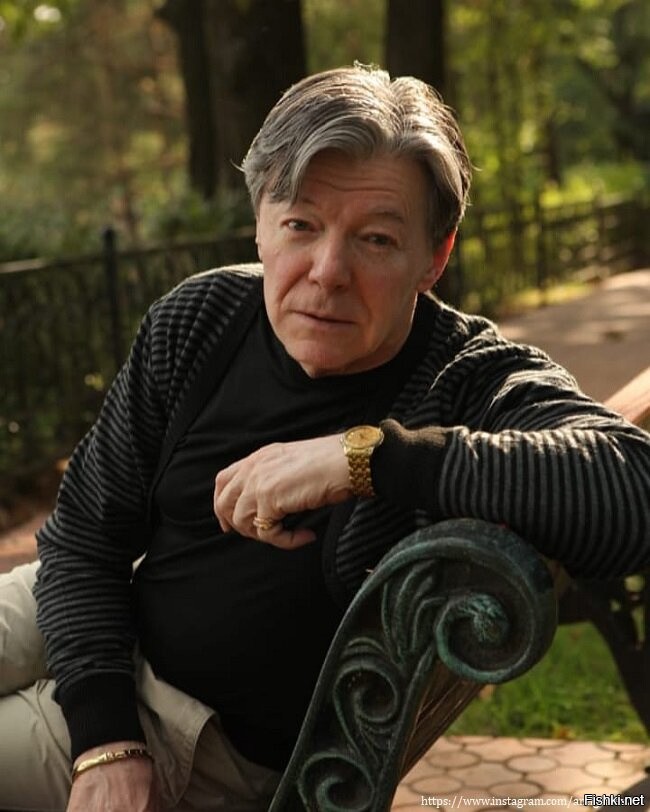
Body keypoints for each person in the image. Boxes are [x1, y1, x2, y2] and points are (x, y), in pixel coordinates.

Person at [1, 64, 649, 811]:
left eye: (375, 239)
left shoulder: (469, 378)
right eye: (301, 226)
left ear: (434, 257)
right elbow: (85, 539)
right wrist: (104, 735)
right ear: (260, 223)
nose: (328, 272)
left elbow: (634, 483)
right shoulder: (201, 318)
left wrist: (364, 458)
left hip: (194, 732)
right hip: (95, 614)